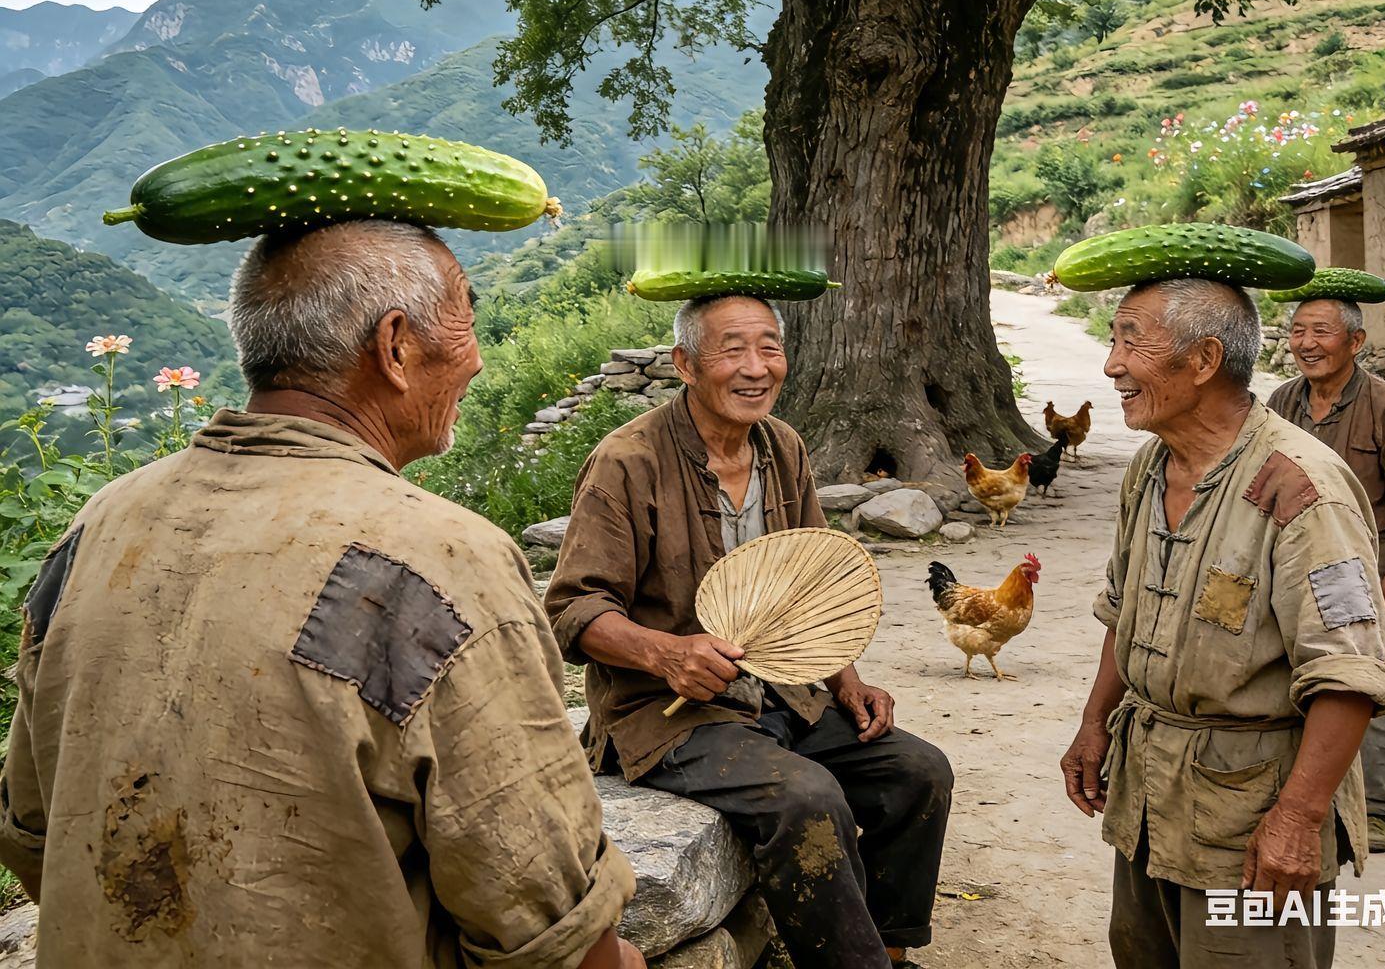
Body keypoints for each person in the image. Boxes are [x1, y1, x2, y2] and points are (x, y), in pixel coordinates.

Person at [0, 220, 641, 968]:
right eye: (468, 319)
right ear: (395, 345)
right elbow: (543, 913)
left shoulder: (102, 523)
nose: (477, 358)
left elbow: (33, 830)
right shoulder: (441, 558)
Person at [544, 294, 953, 969]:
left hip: (782, 698)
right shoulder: (628, 460)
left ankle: (889, 950)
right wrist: (667, 653)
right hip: (668, 715)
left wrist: (847, 682)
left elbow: (813, 579)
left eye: (770, 347)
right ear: (685, 364)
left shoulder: (781, 447)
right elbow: (571, 610)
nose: (756, 367)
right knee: (807, 799)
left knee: (916, 770)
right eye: (733, 349)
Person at [1060, 279, 1385, 969]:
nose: (1111, 363)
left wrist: (1300, 819)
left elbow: (1351, 673)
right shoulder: (1152, 466)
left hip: (1252, 823)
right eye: (1113, 338)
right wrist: (1096, 720)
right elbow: (1125, 607)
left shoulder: (1303, 486)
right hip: (1152, 802)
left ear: (1205, 359)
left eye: (1131, 339)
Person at [1268, 296, 1385, 851]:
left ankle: (1377, 810)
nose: (1306, 343)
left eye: (1321, 331)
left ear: (1356, 342)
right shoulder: (1280, 403)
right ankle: (1299, 800)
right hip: (1288, 568)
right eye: (1297, 331)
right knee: (1289, 681)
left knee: (1364, 686)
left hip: (1361, 575)